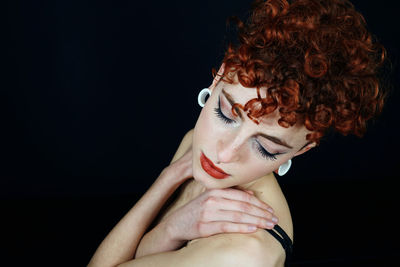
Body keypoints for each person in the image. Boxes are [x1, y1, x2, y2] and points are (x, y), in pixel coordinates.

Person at [88, 0, 387, 266]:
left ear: (300, 151)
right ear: (219, 75)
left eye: (266, 148)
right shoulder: (196, 145)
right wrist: (170, 189)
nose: (225, 153)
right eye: (226, 114)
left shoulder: (242, 256)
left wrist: (172, 226)